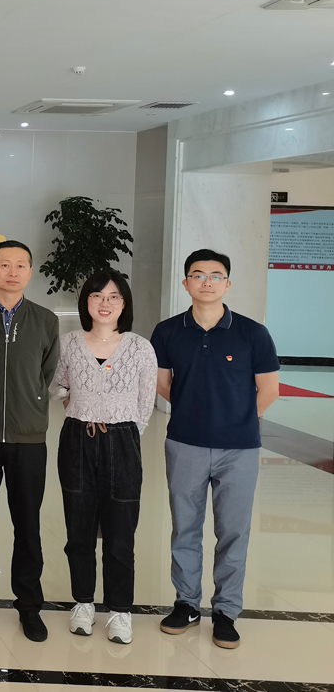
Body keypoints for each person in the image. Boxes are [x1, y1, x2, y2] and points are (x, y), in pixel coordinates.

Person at [152, 249, 279, 650]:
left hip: (239, 449)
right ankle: (187, 604)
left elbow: (269, 390)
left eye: (215, 275)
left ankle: (226, 611)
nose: (206, 282)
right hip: (184, 443)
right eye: (198, 274)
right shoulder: (168, 331)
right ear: (185, 282)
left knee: (233, 531)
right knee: (185, 528)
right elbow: (162, 382)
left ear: (227, 283)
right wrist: (194, 412)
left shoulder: (252, 333)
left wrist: (235, 421)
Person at [53, 268, 156, 645]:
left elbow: (146, 401)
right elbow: (58, 384)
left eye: (113, 296)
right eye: (97, 296)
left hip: (122, 441)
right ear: (86, 302)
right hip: (77, 440)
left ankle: (120, 610)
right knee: (78, 530)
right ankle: (83, 603)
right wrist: (75, 403)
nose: (105, 303)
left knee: (120, 532)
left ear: (124, 304)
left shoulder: (140, 347)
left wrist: (122, 432)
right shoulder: (69, 343)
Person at [0, 240, 60, 642]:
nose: (12, 272)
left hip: (29, 438)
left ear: (30, 271)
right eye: (4, 264)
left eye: (20, 265)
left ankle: (29, 606)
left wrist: (30, 405)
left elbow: (47, 373)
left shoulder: (45, 319)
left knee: (28, 525)